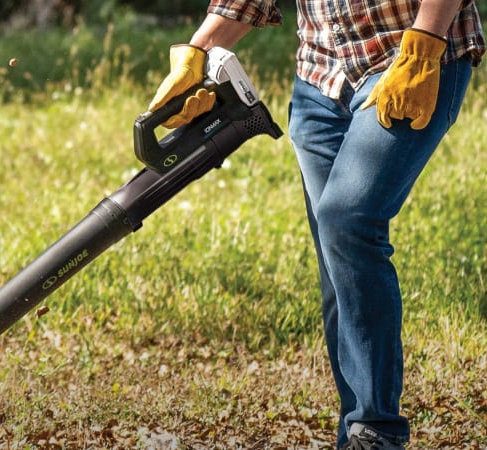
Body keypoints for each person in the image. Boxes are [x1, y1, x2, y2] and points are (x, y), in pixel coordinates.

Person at [148, 1, 485, 449]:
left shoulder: (420, 51)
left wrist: (425, 42)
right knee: (337, 260)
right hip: (321, 77)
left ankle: (376, 431)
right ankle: (357, 432)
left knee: (347, 220)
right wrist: (199, 50)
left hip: (411, 56)